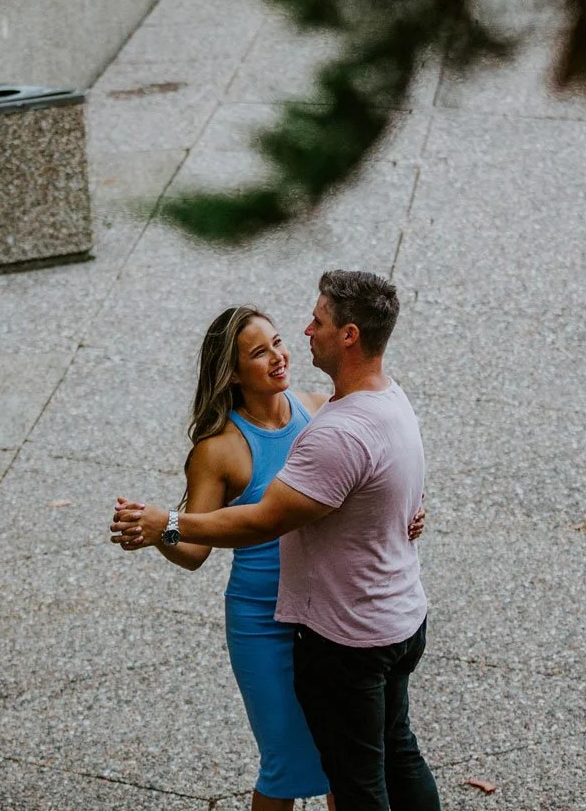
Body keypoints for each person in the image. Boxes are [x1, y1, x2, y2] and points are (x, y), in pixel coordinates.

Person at [113, 271, 440, 811]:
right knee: (287, 765)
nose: (280, 355)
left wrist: (401, 513)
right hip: (264, 618)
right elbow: (195, 551)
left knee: (344, 764)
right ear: (234, 374)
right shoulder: (218, 450)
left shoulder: (321, 409)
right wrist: (159, 530)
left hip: (326, 617)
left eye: (280, 342)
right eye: (259, 353)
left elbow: (367, 479)